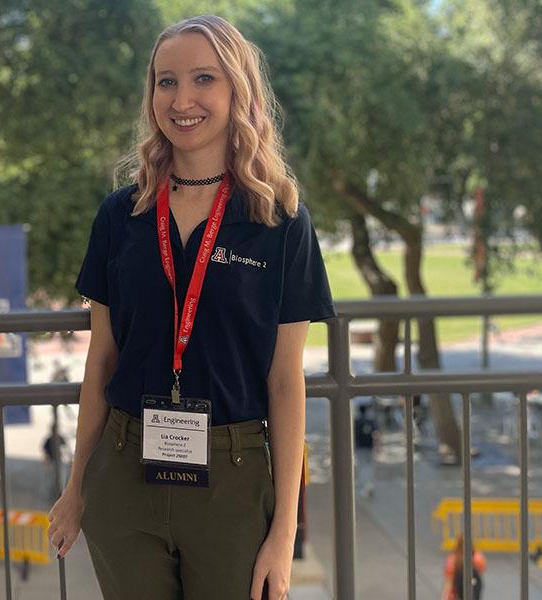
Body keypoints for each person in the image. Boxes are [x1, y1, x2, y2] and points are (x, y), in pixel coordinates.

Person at [46, 16, 335, 600]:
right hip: (124, 473)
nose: (181, 100)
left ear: (237, 90)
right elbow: (101, 362)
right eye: (165, 81)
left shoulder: (279, 220)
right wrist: (78, 487)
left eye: (203, 78)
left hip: (233, 478)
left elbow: (286, 381)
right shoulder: (119, 216)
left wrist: (285, 531)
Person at [442, 535, 486, 600]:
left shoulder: (453, 560)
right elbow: (479, 579)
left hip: (456, 595)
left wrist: (444, 597)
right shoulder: (478, 558)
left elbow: (449, 583)